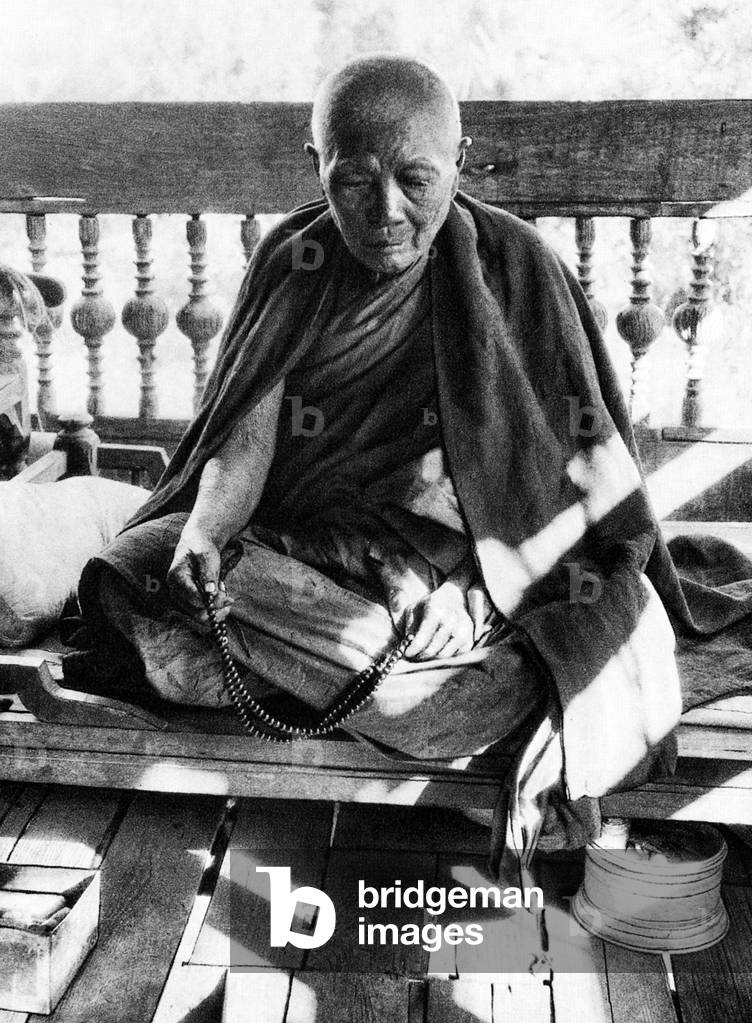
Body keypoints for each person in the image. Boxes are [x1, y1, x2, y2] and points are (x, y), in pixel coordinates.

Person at [67, 54, 752, 866]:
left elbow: (557, 498)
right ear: (313, 164)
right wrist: (207, 536)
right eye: (353, 181)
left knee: (582, 605)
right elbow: (241, 442)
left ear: (461, 164)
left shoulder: (516, 269)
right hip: (314, 551)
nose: (386, 211)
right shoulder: (293, 263)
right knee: (134, 566)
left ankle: (425, 677)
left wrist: (471, 589)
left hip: (465, 564)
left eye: (416, 179)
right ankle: (486, 684)